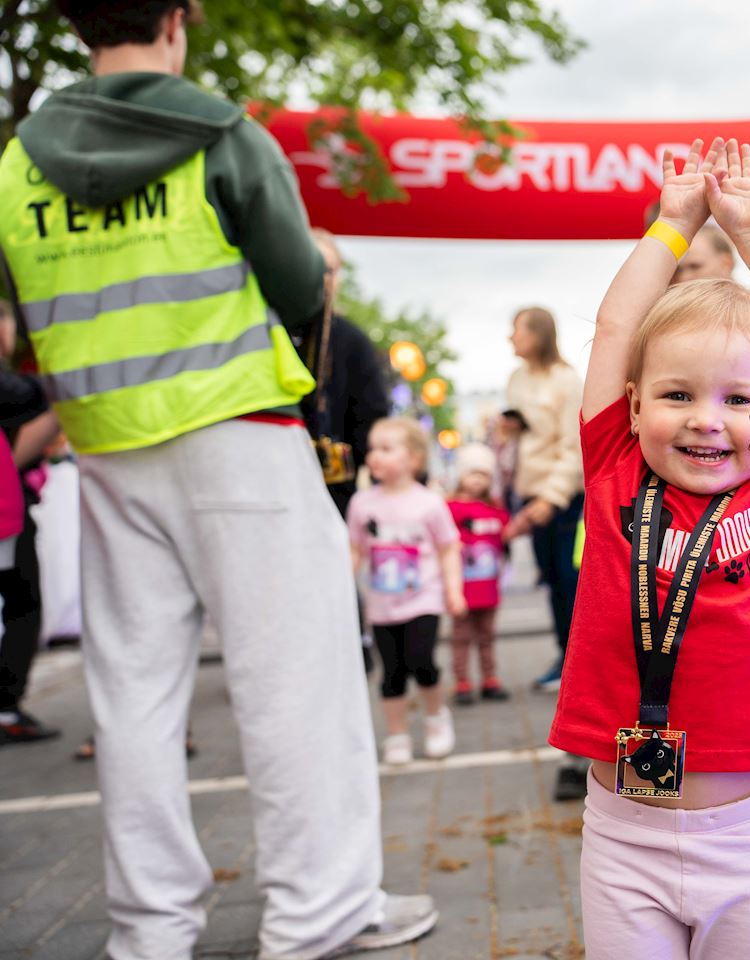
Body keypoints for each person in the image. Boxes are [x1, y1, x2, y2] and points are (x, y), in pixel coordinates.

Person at [0, 3, 438, 956]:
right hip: (238, 430)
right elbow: (292, 283)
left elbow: (28, 317)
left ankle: (149, 930)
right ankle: (318, 914)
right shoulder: (220, 134)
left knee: (134, 699)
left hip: (106, 445)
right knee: (297, 686)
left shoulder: (17, 161)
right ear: (177, 18)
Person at [547, 137, 750, 960]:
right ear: (633, 407)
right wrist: (672, 226)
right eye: (677, 395)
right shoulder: (612, 464)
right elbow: (612, 326)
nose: (708, 419)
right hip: (622, 843)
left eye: (738, 397)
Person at [348, 417, 466, 764]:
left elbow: (448, 548)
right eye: (372, 449)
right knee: (392, 672)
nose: (375, 456)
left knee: (422, 661)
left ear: (413, 459)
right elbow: (355, 549)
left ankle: (435, 719)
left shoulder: (428, 503)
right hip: (381, 604)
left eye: (386, 449)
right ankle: (397, 734)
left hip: (423, 599)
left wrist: (453, 591)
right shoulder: (362, 504)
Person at [504, 306, 583, 694]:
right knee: (552, 581)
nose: (510, 338)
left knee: (571, 583)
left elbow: (574, 446)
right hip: (530, 492)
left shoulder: (567, 381)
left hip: (562, 498)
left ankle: (576, 663)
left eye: (516, 330)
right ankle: (564, 657)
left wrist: (552, 498)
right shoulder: (517, 378)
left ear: (537, 334)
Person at [0, 303, 61, 747]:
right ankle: (5, 707)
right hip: (5, 512)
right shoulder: (15, 387)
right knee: (22, 603)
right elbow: (31, 394)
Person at [306, 229, 390, 520]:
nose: (323, 278)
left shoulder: (352, 340)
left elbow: (372, 416)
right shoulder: (265, 330)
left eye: (330, 270)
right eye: (313, 266)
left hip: (334, 489)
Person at [447, 443, 511, 704]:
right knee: (460, 638)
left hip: (489, 587)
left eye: (483, 475)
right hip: (462, 589)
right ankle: (462, 682)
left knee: (487, 636)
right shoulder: (450, 508)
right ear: (460, 476)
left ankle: (489, 679)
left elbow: (508, 530)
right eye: (472, 473)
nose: (477, 480)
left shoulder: (495, 509)